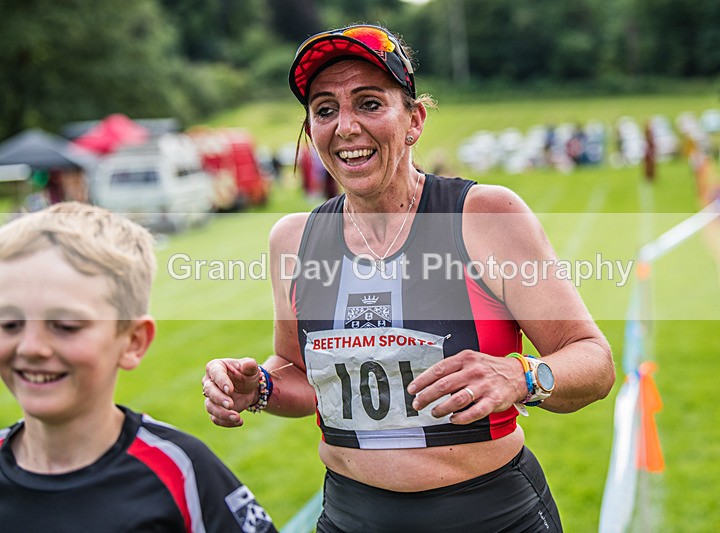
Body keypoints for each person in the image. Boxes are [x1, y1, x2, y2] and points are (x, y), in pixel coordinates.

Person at [202, 24, 615, 532]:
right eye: (325, 109)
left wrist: (522, 376)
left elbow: (593, 361)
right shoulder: (293, 239)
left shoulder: (483, 215)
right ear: (311, 131)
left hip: (489, 515)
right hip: (351, 516)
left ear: (415, 119)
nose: (347, 127)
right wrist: (260, 385)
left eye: (370, 103)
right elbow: (301, 374)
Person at [0, 202, 277, 533]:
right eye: (10, 323)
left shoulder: (181, 471)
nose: (31, 347)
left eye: (65, 325)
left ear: (132, 341)